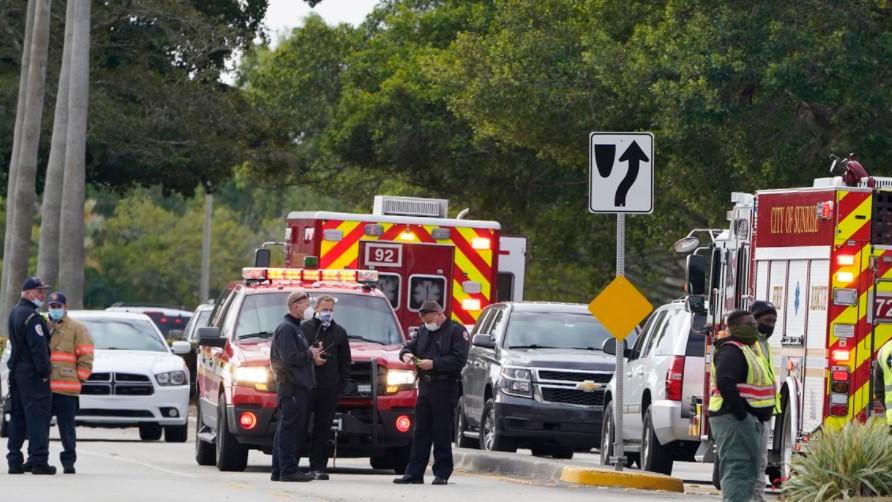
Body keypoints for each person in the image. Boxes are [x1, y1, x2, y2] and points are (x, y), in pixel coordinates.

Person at [394, 301, 469, 486]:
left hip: (444, 385)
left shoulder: (456, 332)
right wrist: (406, 355)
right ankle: (414, 473)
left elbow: (459, 359)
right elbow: (409, 347)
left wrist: (434, 364)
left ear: (438, 314)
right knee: (420, 431)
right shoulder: (423, 331)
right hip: (425, 386)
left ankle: (442, 472)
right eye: (423, 320)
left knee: (441, 431)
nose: (426, 322)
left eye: (428, 319)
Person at [708, 310, 776, 502]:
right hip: (734, 420)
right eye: (749, 324)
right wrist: (741, 415)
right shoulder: (731, 350)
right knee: (738, 472)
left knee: (748, 474)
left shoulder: (749, 349)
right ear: (736, 328)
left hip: (746, 420)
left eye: (754, 324)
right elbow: (725, 382)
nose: (755, 328)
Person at [269, 289, 322, 483]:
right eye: (306, 305)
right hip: (291, 386)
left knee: (286, 427)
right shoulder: (287, 329)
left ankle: (278, 470)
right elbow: (289, 358)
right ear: (295, 305)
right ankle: (288, 470)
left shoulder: (295, 328)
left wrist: (311, 353)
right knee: (289, 429)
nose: (308, 309)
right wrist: (310, 354)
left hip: (297, 385)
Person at [6, 277, 55, 475]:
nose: (42, 295)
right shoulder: (33, 318)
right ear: (27, 293)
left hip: (18, 373)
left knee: (18, 416)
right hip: (33, 376)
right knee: (38, 417)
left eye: (43, 291)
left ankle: (14, 461)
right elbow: (39, 350)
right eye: (38, 291)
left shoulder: (15, 313)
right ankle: (39, 461)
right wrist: (44, 373)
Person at [300, 295, 351, 480]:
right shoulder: (305, 329)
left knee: (323, 429)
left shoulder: (339, 332)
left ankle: (318, 467)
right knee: (300, 426)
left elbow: (345, 362)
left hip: (329, 389)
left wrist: (340, 386)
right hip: (307, 387)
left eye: (330, 310)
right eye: (324, 310)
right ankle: (292, 466)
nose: (327, 313)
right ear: (316, 309)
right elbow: (297, 355)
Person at [46, 292, 93, 474]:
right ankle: (39, 458)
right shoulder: (44, 325)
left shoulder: (77, 328)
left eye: (58, 306)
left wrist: (80, 378)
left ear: (65, 307)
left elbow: (86, 355)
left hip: (67, 389)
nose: (55, 309)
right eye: (52, 306)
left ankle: (68, 461)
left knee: (67, 429)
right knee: (41, 427)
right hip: (46, 388)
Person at [749, 301, 781, 496]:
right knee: (750, 461)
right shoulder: (749, 343)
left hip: (763, 411)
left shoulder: (764, 344)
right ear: (755, 319)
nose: (771, 325)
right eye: (767, 320)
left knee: (760, 461)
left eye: (774, 321)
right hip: (749, 411)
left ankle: (756, 497)